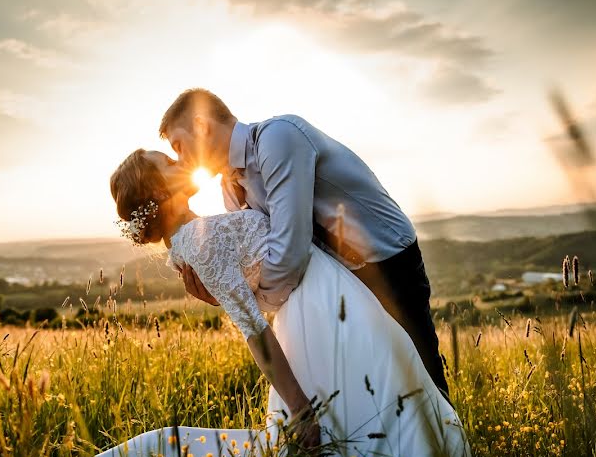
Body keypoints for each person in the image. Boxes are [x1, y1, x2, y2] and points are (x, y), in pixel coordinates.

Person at [33, 149, 471, 457]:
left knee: (374, 408)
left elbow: (256, 289)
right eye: (165, 160)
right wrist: (299, 409)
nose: (177, 159)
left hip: (319, 304)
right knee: (369, 412)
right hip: (316, 313)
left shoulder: (193, 237)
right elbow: (254, 332)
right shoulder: (198, 242)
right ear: (158, 189)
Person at [159, 88, 451, 400]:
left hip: (384, 263)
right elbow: (260, 259)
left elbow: (287, 256)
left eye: (179, 146)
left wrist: (241, 296)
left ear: (202, 126)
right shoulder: (230, 188)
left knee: (422, 372)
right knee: (376, 382)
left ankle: (447, 445)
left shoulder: (278, 138)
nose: (182, 160)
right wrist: (227, 290)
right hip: (334, 281)